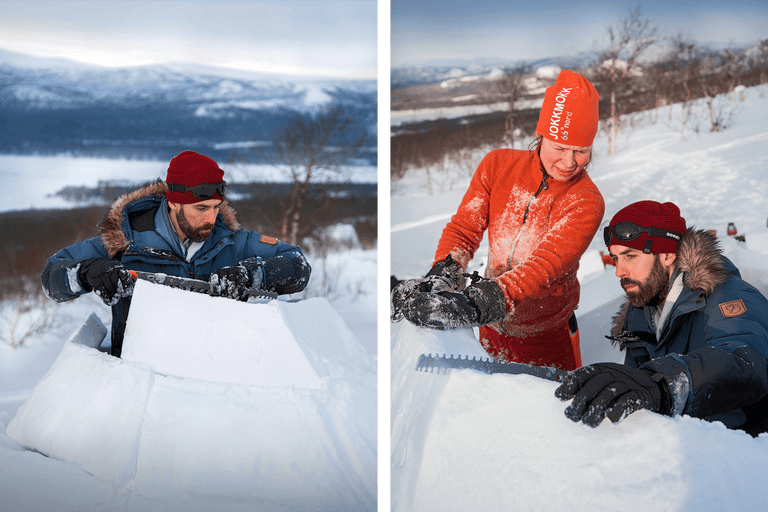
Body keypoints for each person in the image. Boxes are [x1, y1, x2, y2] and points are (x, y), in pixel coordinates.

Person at [392, 69, 604, 371]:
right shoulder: (498, 165)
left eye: (581, 151)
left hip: (546, 335)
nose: (569, 163)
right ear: (540, 135)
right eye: (559, 148)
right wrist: (444, 272)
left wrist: (475, 304)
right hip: (490, 329)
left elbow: (543, 267)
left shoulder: (586, 200)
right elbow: (465, 228)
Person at [42, 150, 311, 357]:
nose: (212, 218)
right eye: (201, 208)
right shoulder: (123, 241)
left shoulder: (233, 242)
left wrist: (253, 275)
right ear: (173, 202)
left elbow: (298, 265)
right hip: (139, 381)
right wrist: (88, 273)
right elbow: (51, 278)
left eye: (217, 207)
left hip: (215, 378)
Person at [556, 200, 768, 436]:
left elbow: (745, 362)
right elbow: (639, 385)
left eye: (630, 256)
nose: (618, 271)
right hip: (677, 442)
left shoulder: (730, 297)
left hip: (742, 449)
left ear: (667, 254)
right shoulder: (640, 311)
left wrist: (663, 385)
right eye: (616, 258)